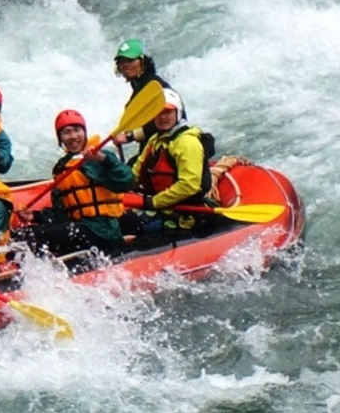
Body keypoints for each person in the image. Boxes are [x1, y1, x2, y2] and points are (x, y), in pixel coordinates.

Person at [14, 110, 133, 257]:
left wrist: (102, 160)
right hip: (81, 228)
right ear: (60, 139)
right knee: (23, 234)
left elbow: (126, 181)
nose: (73, 137)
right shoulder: (61, 168)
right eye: (67, 132)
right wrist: (35, 216)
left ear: (85, 132)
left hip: (103, 230)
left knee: (30, 235)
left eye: (77, 130)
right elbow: (61, 214)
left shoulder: (100, 156)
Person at [122, 87, 215, 235]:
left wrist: (153, 202)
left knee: (126, 222)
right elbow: (134, 174)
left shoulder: (186, 143)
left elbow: (189, 185)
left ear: (178, 112)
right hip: (162, 205)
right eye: (157, 112)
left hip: (185, 213)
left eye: (167, 112)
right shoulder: (155, 140)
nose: (162, 117)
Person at [109, 38, 181, 166]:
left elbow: (164, 121)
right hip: (153, 149)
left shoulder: (154, 85)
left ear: (143, 62)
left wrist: (130, 136)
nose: (125, 65)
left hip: (169, 150)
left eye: (130, 60)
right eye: (121, 62)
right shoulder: (140, 85)